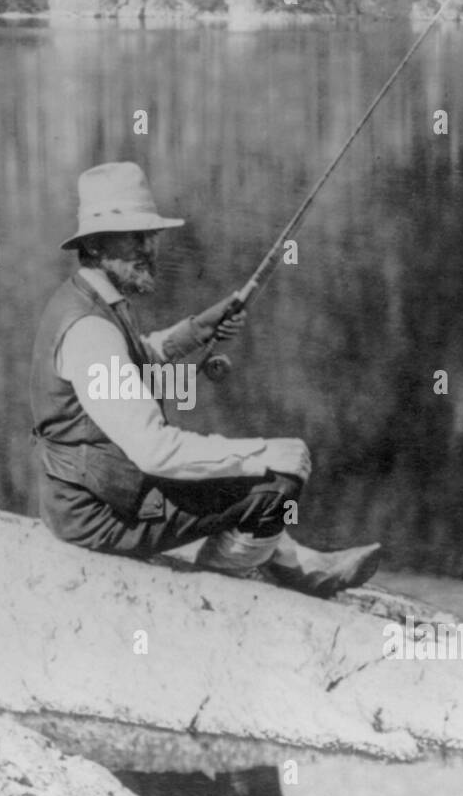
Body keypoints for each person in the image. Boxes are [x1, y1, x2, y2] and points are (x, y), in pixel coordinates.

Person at [29, 161, 381, 598]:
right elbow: (155, 452)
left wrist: (198, 330)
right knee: (278, 480)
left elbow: (138, 358)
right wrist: (263, 453)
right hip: (99, 514)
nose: (150, 248)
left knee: (239, 469)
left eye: (151, 235)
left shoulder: (91, 300)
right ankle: (229, 578)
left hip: (94, 491)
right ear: (97, 246)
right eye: (136, 237)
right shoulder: (91, 331)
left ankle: (295, 561)